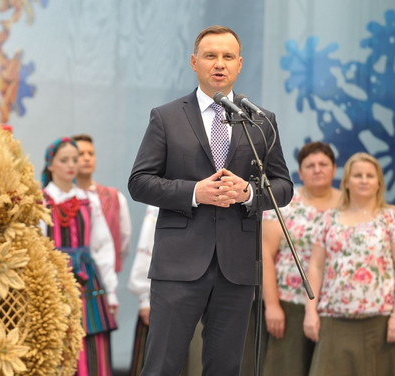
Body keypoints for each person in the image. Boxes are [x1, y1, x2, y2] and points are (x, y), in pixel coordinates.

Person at [127, 25, 294, 376]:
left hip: (237, 268)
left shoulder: (261, 121)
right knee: (162, 366)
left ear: (239, 64)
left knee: (225, 368)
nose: (219, 64)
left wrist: (248, 193)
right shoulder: (167, 117)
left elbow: (283, 187)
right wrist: (194, 192)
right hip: (179, 266)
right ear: (194, 62)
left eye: (228, 57)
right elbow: (140, 182)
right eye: (210, 56)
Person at [303, 152, 395, 376]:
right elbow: (315, 268)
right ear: (346, 182)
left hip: (381, 324)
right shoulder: (328, 219)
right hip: (334, 322)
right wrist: (310, 312)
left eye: (370, 176)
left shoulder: (392, 218)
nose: (363, 180)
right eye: (357, 175)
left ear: (379, 183)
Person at [244, 142, 340, 376]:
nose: (317, 169)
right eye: (310, 165)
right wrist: (273, 306)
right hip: (290, 305)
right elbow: (264, 254)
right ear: (300, 171)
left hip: (335, 307)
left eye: (323, 164)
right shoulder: (284, 204)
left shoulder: (347, 204)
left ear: (334, 169)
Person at [40, 137, 118, 376]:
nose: (71, 164)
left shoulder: (88, 200)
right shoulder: (41, 202)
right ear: (50, 165)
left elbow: (102, 246)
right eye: (64, 160)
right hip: (54, 281)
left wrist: (111, 291)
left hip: (88, 280)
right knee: (59, 340)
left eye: (74, 159)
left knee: (93, 342)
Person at [127, 205, 203, 376]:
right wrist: (144, 298)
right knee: (161, 361)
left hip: (205, 287)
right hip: (170, 288)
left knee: (196, 361)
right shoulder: (166, 194)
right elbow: (148, 246)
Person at [72, 133, 132, 273]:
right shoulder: (62, 199)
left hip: (105, 275)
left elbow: (124, 237)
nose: (87, 158)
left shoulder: (115, 197)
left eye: (91, 154)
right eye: (81, 154)